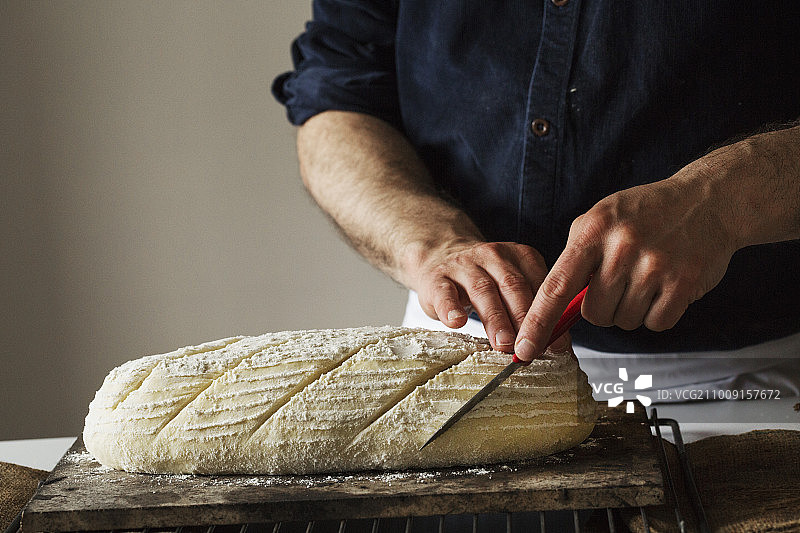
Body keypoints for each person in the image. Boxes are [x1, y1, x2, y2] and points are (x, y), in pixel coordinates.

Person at [273, 2, 800, 402]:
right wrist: (433, 244)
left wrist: (724, 201)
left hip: (743, 380)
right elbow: (338, 99)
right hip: (462, 357)